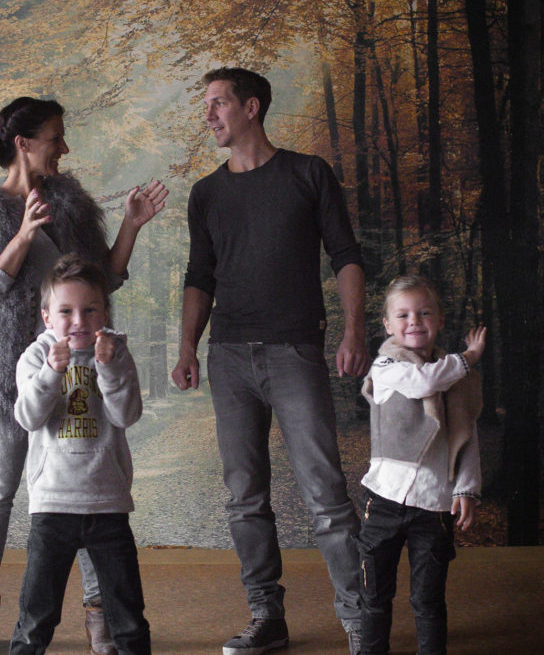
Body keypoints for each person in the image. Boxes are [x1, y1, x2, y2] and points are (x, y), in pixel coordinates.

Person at [0, 96, 166, 655]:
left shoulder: (70, 207)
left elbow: (100, 283)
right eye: (55, 137)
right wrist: (23, 233)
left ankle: (98, 614)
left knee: (85, 491)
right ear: (23, 143)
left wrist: (131, 225)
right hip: (5, 376)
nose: (64, 147)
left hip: (78, 376)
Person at [171, 67, 369, 655]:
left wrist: (354, 330)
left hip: (295, 351)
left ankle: (360, 620)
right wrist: (187, 345)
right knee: (245, 497)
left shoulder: (308, 173)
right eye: (207, 104)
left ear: (251, 107)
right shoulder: (206, 193)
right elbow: (199, 276)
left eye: (218, 103)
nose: (208, 114)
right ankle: (267, 618)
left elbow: (346, 255)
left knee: (326, 494)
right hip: (229, 356)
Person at [9, 254, 149, 655]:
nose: (78, 321)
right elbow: (28, 418)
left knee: (127, 614)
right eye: (66, 311)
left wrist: (109, 368)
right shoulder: (35, 357)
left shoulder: (115, 353)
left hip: (107, 501)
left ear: (104, 313)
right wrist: (51, 373)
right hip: (53, 503)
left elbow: (126, 415)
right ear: (47, 317)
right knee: (37, 614)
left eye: (90, 310)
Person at [358, 275, 486, 655]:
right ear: (388, 325)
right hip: (384, 499)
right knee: (375, 595)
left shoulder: (457, 378)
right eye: (403, 315)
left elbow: (466, 437)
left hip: (434, 503)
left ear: (440, 320)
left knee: (428, 600)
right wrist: (468, 357)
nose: (414, 321)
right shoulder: (386, 365)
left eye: (425, 313)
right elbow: (422, 383)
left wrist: (466, 489)